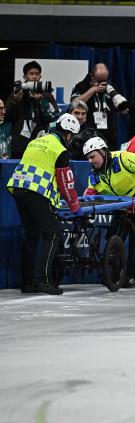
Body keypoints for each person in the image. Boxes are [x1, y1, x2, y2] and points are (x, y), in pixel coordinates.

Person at [6, 113, 81, 295]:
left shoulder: (36, 141)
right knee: (53, 234)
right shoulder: (59, 149)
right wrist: (75, 207)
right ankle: (44, 281)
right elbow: (65, 184)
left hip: (18, 188)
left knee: (32, 235)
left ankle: (29, 282)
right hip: (36, 191)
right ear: (68, 135)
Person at [83, 136, 135, 288]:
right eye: (87, 158)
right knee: (115, 235)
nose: (90, 161)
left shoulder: (123, 158)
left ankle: (132, 277)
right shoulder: (94, 173)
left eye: (92, 156)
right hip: (124, 204)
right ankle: (113, 276)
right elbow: (91, 192)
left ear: (103, 152)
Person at [5, 61, 59, 159]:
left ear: (40, 77)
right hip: (20, 146)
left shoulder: (46, 95)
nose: (34, 77)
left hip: (41, 144)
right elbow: (8, 117)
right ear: (25, 77)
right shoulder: (17, 94)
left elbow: (54, 118)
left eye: (37, 74)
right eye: (31, 74)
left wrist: (41, 102)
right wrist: (15, 101)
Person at [70, 63, 127, 151]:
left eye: (105, 79)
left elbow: (116, 108)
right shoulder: (82, 86)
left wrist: (121, 109)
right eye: (99, 80)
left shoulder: (110, 87)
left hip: (109, 137)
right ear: (92, 76)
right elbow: (74, 103)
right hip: (88, 136)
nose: (103, 83)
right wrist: (93, 90)